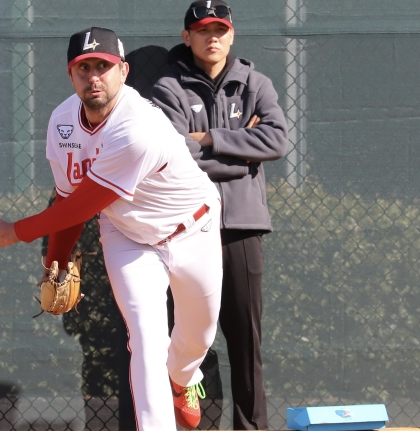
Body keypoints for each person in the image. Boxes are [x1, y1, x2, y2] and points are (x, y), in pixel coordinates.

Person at [0, 27, 223, 430]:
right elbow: (67, 203)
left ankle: (183, 379)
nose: (94, 76)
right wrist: (55, 265)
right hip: (128, 236)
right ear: (71, 75)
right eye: (83, 67)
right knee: (144, 337)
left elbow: (83, 205)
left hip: (192, 227)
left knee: (198, 333)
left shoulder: (139, 127)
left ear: (122, 71)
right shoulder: (62, 124)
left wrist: (13, 232)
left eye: (103, 66)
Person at [150, 1, 289, 429]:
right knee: (186, 343)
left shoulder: (257, 83)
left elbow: (277, 141)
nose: (213, 37)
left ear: (232, 35)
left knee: (247, 345)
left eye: (220, 29)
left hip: (241, 229)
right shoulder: (166, 88)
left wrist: (208, 137)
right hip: (185, 230)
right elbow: (170, 156)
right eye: (203, 29)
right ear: (186, 35)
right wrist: (242, 150)